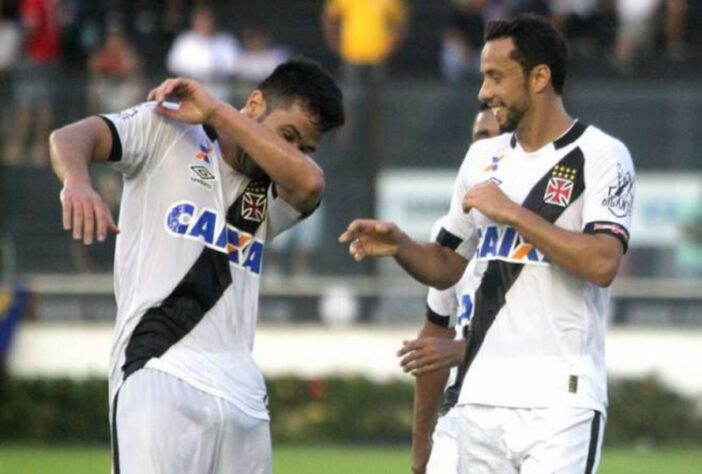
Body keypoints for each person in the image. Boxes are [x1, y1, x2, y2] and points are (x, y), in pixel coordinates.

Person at [340, 15, 635, 473]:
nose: (483, 91)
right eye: (483, 76)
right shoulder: (482, 158)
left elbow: (602, 263)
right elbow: (446, 265)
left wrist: (514, 213)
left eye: (495, 76)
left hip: (561, 401)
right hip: (479, 399)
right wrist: (400, 245)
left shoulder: (601, 155)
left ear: (539, 77)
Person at [49, 58, 344, 474]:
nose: (290, 153)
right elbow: (72, 136)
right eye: (288, 136)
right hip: (158, 373)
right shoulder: (165, 130)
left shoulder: (280, 188)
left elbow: (312, 183)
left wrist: (217, 111)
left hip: (242, 398)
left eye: (304, 148)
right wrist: (77, 182)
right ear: (255, 103)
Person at [399, 104, 500, 474]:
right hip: (461, 414)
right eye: (480, 138)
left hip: (537, 410)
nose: (486, 149)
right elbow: (436, 328)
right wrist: (422, 440)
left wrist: (461, 350)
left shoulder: (549, 226)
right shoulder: (453, 231)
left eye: (498, 137)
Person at [166, 4, 242, 102]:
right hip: (191, 93)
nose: (205, 23)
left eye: (208, 19)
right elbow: (174, 66)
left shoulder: (226, 41)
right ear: (194, 21)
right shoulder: (184, 41)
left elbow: (237, 67)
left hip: (221, 92)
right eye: (201, 20)